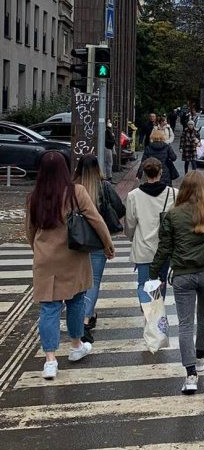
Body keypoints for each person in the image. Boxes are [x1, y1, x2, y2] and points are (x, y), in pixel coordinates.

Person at [27, 152, 115, 380]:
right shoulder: (76, 192)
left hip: (46, 259)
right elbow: (96, 219)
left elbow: (30, 231)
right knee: (76, 301)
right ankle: (76, 346)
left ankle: (50, 361)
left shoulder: (34, 196)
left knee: (49, 308)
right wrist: (107, 244)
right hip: (73, 256)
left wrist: (39, 251)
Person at [150, 171, 204, 395]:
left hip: (182, 276)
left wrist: (153, 273)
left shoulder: (172, 216)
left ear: (184, 190)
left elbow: (164, 249)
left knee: (186, 324)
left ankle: (190, 376)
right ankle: (200, 356)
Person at [72, 154, 125, 343]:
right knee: (93, 281)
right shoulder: (104, 187)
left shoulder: (72, 189)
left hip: (75, 242)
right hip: (97, 241)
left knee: (77, 283)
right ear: (97, 169)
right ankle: (86, 319)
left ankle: (84, 315)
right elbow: (120, 209)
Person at [126, 157, 177, 305]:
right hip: (164, 248)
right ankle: (157, 313)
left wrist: (132, 238)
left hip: (143, 247)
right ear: (161, 172)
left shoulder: (133, 196)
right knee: (161, 283)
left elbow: (130, 224)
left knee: (143, 284)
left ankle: (148, 313)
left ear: (144, 173)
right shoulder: (174, 194)